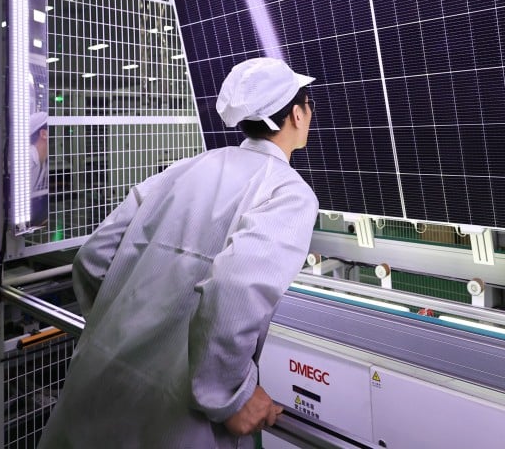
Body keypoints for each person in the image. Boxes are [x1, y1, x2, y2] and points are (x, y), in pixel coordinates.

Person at [38, 57, 318, 449]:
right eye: (309, 105)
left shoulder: (183, 169)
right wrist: (230, 397)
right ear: (297, 115)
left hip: (94, 391)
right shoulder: (287, 192)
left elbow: (93, 256)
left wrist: (122, 327)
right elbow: (234, 290)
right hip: (168, 421)